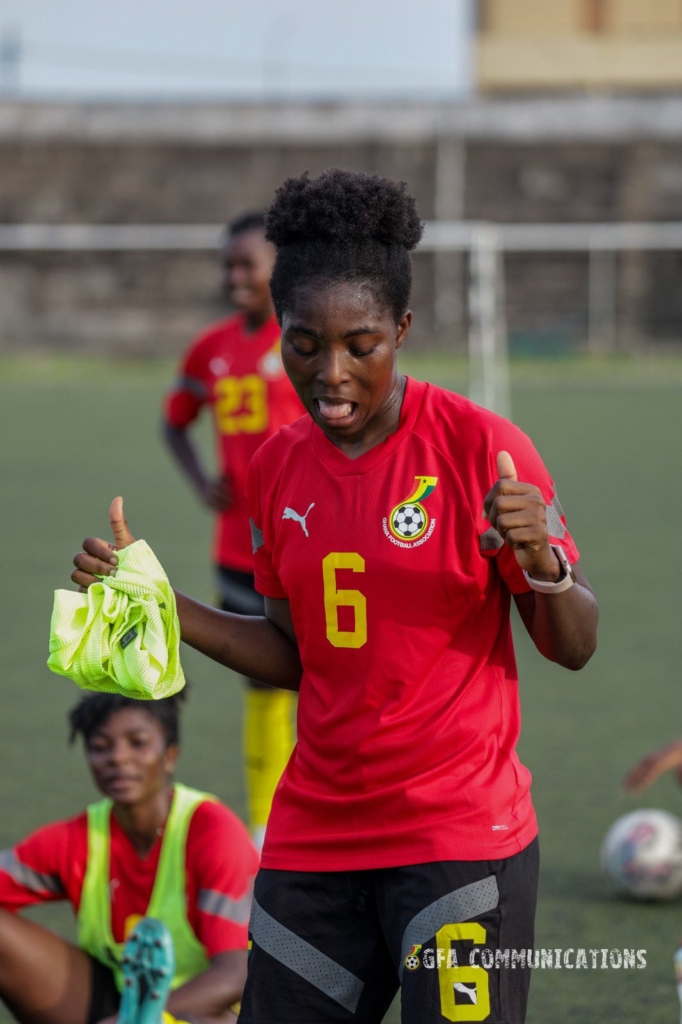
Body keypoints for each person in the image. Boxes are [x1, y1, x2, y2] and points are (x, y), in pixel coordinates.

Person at [72, 168, 599, 1024]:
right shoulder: (278, 465)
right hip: (315, 841)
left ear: (402, 328)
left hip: (456, 839)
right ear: (278, 331)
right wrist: (161, 601)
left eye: (362, 344)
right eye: (304, 343)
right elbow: (295, 656)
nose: (332, 373)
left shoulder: (482, 448)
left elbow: (574, 645)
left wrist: (544, 558)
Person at [163, 211, 304, 849]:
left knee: (334, 675)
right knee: (265, 680)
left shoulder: (305, 338)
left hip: (308, 542)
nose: (234, 276)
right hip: (239, 547)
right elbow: (175, 421)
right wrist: (202, 483)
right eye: (228, 265)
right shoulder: (210, 347)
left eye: (247, 264)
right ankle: (263, 826)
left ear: (281, 268)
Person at [0, 691, 257, 1024]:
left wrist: (135, 1019)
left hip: (207, 1009)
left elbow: (236, 974)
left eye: (137, 742)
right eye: (100, 747)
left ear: (170, 755)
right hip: (119, 1003)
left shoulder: (213, 832)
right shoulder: (78, 838)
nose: (118, 758)